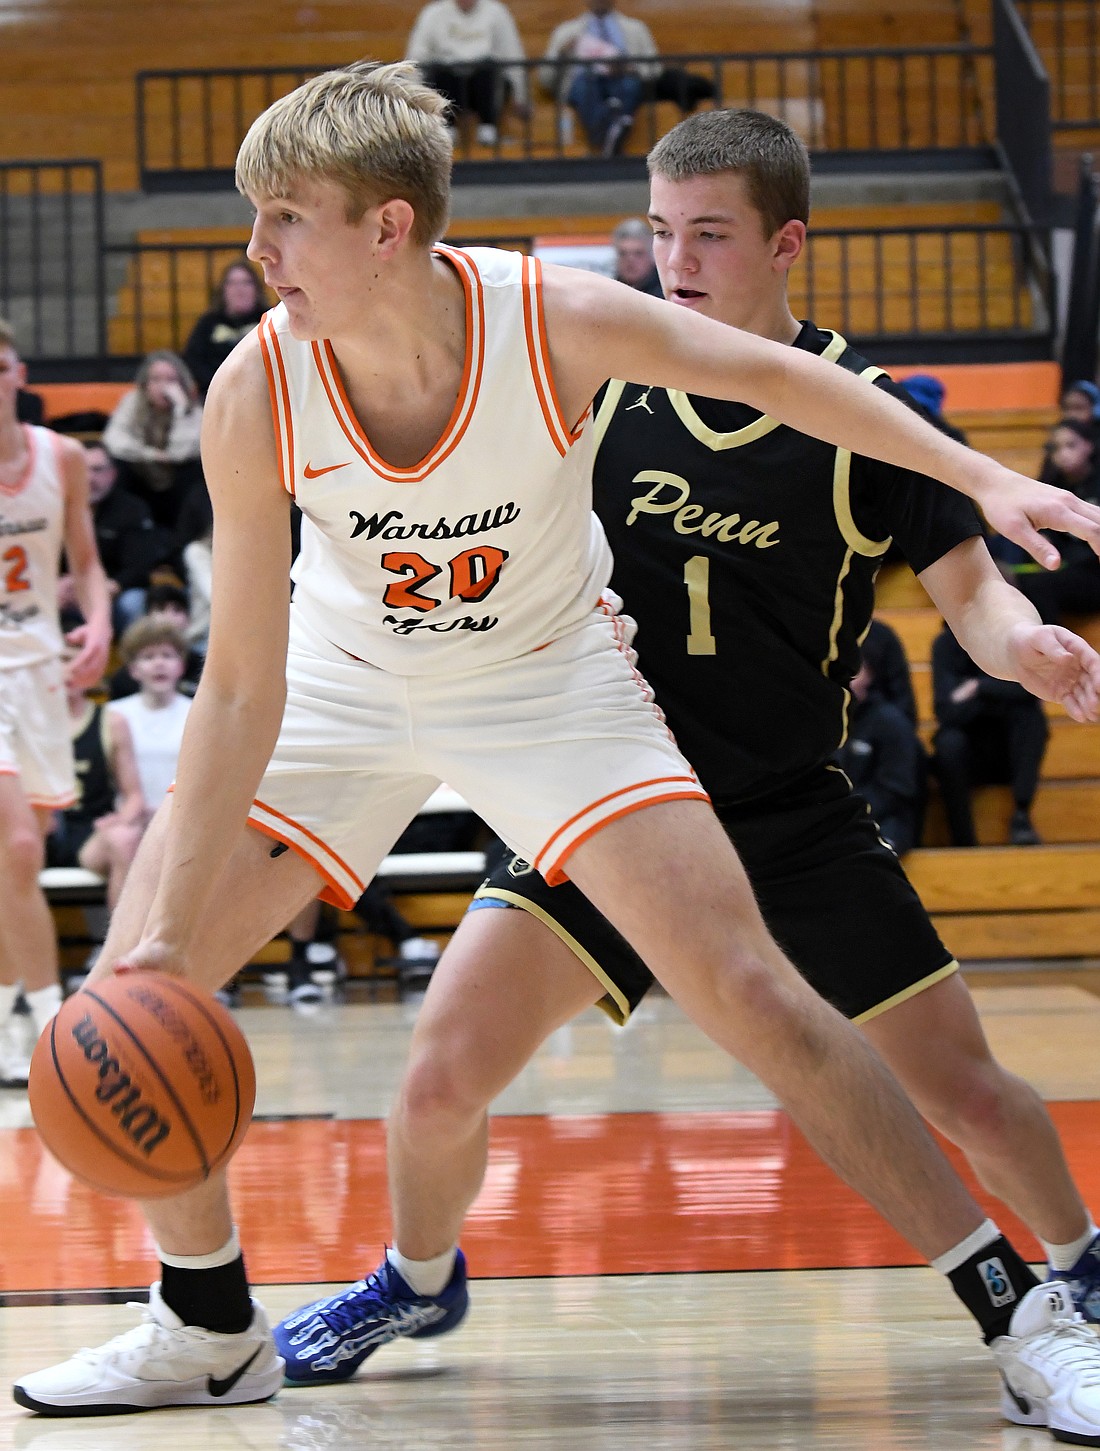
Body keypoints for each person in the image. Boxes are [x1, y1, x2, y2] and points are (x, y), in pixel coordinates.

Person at [14, 69, 1100, 1436]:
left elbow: (782, 376)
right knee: (135, 977)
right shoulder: (255, 387)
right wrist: (167, 927)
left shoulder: (553, 317)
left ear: (389, 228)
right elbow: (239, 680)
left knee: (756, 989)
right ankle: (208, 1322)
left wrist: (992, 480)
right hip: (345, 686)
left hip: (545, 684)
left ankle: (1023, 1311)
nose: (255, 251)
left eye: (285, 217)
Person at [0, 317, 111, 1084]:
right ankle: (49, 1025)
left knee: (14, 870)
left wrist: (100, 620)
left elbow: (89, 562)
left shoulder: (62, 458)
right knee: (17, 849)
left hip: (39, 671)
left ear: (18, 373)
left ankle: (8, 1000)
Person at [931, 621, 1050, 846]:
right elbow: (947, 712)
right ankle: (963, 841)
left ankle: (1022, 815)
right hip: (970, 755)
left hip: (1008, 753)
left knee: (1030, 718)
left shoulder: (1014, 641)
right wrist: (1000, 695)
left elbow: (1031, 694)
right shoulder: (945, 645)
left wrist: (978, 688)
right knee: (949, 743)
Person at [50, 675, 144, 915]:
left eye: (74, 659)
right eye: (58, 661)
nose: (67, 670)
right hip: (37, 829)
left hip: (89, 830)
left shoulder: (111, 721)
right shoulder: (18, 720)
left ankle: (120, 948)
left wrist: (121, 819)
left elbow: (134, 796)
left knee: (124, 838)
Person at [58, 442, 172, 636]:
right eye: (82, 470)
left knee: (134, 603)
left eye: (97, 470)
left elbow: (140, 568)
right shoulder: (55, 508)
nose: (89, 478)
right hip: (64, 595)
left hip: (115, 594)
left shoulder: (132, 509)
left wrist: (107, 588)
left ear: (112, 474)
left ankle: (140, 665)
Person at [102, 351, 205, 534]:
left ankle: (181, 541)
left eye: (171, 380)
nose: (163, 387)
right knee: (118, 467)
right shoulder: (132, 401)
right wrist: (151, 454)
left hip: (176, 484)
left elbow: (182, 453)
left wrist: (181, 410)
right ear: (145, 384)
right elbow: (114, 439)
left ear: (182, 384)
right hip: (142, 477)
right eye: (156, 380)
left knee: (193, 472)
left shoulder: (192, 411)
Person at [542, 2, 659, 156]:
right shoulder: (566, 32)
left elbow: (655, 68)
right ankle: (612, 130)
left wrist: (630, 68)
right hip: (585, 82)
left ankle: (605, 133)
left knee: (629, 85)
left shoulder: (635, 29)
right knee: (586, 85)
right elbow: (545, 78)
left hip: (623, 79)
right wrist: (561, 55)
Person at [407, 0, 529, 148]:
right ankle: (446, 128)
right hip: (448, 84)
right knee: (439, 71)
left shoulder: (497, 12)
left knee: (489, 69)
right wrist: (411, 98)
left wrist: (520, 96)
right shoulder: (433, 13)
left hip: (484, 85)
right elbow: (417, 57)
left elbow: (512, 54)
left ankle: (488, 128)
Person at [837, 654, 924, 854]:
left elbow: (897, 789)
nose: (846, 679)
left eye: (855, 673)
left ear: (869, 676)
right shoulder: (828, 723)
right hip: (838, 819)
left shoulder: (890, 722)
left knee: (871, 854)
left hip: (885, 819)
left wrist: (850, 813)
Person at [182, 261, 269, 397]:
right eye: (232, 283)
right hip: (215, 395)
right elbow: (194, 360)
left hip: (263, 394)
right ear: (223, 290)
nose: (239, 289)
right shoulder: (208, 322)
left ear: (257, 289)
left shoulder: (270, 320)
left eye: (246, 283)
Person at [611, 217, 662, 297]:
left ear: (652, 255)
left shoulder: (666, 294)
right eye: (623, 253)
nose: (630, 260)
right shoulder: (609, 291)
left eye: (638, 253)